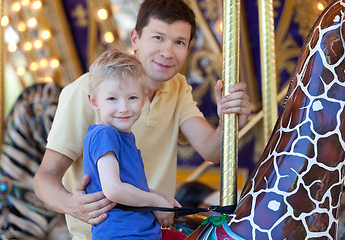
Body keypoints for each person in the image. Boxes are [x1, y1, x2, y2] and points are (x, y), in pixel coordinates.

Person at [33, 0, 251, 239]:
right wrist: (74, 205)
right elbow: (45, 178)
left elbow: (211, 151)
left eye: (179, 42)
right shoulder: (89, 90)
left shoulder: (177, 87)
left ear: (188, 49)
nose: (167, 52)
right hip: (105, 233)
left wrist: (228, 121)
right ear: (135, 38)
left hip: (152, 230)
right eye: (158, 38)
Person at [83, 49, 186, 239]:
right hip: (122, 234)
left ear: (143, 99)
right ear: (94, 102)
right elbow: (114, 189)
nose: (123, 108)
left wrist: (162, 200)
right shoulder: (103, 134)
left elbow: (131, 185)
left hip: (143, 231)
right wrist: (155, 201)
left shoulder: (124, 137)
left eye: (132, 98)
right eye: (112, 99)